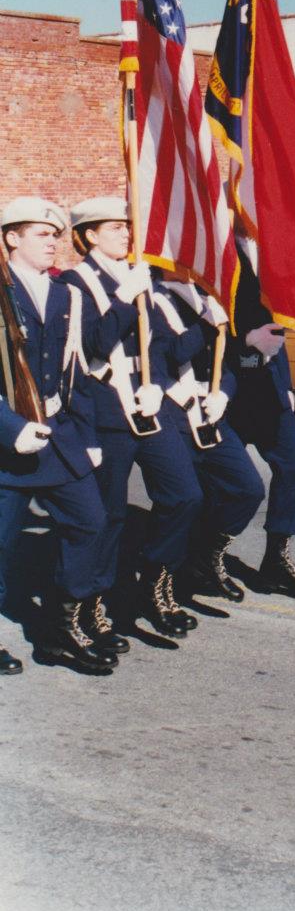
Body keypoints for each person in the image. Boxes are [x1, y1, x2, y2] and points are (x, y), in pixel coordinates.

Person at [59, 197, 203, 639]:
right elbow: (94, 342)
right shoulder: (74, 282)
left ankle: (155, 581)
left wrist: (205, 323)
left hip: (152, 406)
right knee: (110, 514)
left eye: (127, 225)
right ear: (88, 237)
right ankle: (94, 602)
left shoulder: (145, 279)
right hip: (107, 412)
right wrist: (124, 298)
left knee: (184, 495)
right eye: (114, 227)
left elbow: (167, 348)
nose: (125, 232)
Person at [0, 197, 116, 674]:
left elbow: (79, 373)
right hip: (8, 445)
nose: (53, 242)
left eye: (56, 235)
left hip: (59, 436)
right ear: (11, 238)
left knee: (90, 523)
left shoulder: (66, 294)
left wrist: (87, 434)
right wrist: (10, 427)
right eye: (41, 234)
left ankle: (60, 628)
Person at [224, 241, 295, 598]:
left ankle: (276, 560)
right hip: (227, 385)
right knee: (224, 481)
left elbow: (278, 326)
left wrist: (285, 383)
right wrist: (246, 341)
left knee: (293, 466)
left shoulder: (271, 245)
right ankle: (205, 557)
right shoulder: (217, 246)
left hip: (268, 385)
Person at [152, 280, 265, 603]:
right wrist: (205, 321)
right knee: (182, 501)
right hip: (173, 411)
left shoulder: (204, 297)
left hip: (210, 413)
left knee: (247, 489)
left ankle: (205, 556)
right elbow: (173, 353)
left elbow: (224, 363)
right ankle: (161, 580)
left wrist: (223, 394)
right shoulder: (154, 298)